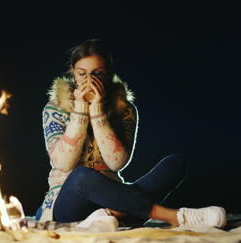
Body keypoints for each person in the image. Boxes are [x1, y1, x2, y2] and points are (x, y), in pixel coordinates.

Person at [35, 38, 226, 229]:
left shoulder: (125, 110)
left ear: (109, 74)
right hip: (68, 202)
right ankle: (175, 216)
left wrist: (97, 110)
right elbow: (62, 163)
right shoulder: (55, 108)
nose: (89, 81)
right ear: (73, 73)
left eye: (98, 74)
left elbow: (116, 162)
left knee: (175, 164)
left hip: (113, 197)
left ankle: (106, 215)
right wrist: (80, 108)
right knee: (81, 175)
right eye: (82, 74)